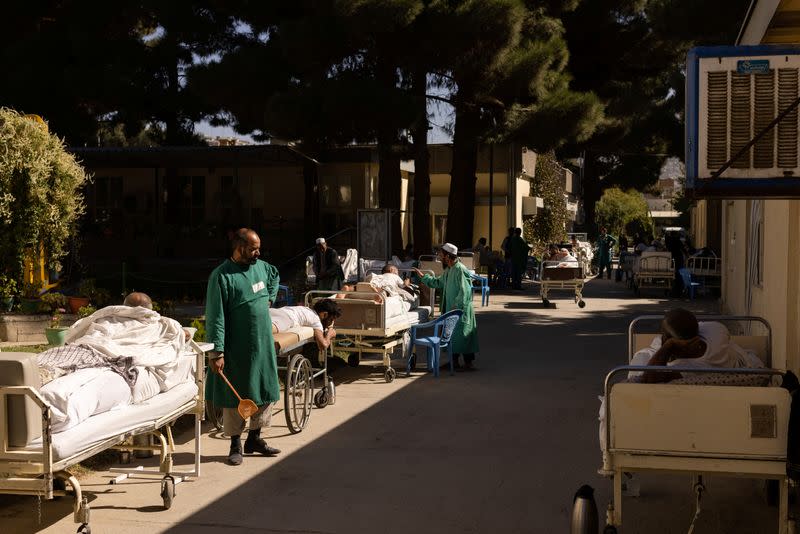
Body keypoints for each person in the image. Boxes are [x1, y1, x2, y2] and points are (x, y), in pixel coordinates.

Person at [205, 228, 282, 466]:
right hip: (236, 347)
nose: (257, 252)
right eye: (253, 248)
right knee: (235, 396)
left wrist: (270, 297)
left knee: (265, 389)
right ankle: (235, 443)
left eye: (258, 247)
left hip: (262, 343)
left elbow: (275, 276)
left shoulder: (261, 267)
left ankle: (255, 439)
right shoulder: (222, 276)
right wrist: (217, 352)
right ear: (239, 247)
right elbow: (216, 316)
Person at [413, 243, 479, 371]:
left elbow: (465, 292)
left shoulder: (460, 269)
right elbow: (438, 282)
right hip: (451, 309)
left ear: (448, 256)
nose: (439, 257)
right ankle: (453, 362)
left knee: (463, 335)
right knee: (451, 334)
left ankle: (468, 363)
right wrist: (424, 277)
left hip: (460, 310)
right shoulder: (449, 269)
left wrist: (456, 307)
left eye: (441, 255)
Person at [271, 300, 341, 352]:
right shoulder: (316, 320)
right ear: (324, 315)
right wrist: (330, 333)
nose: (330, 323)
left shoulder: (306, 309)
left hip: (275, 311)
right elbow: (323, 345)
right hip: (286, 318)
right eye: (331, 320)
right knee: (266, 330)